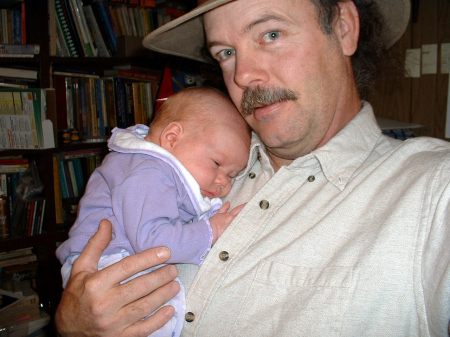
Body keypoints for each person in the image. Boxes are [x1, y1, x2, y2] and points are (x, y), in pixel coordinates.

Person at [55, 0, 450, 336]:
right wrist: (74, 324)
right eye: (226, 52)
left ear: (343, 28)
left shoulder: (435, 191)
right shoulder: (190, 167)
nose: (242, 74)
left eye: (271, 34)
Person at [55, 86, 250, 336]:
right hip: (107, 263)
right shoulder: (148, 172)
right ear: (172, 137)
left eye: (233, 175)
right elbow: (154, 242)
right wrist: (210, 230)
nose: (224, 182)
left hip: (115, 260)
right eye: (217, 164)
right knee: (158, 321)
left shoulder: (158, 165)